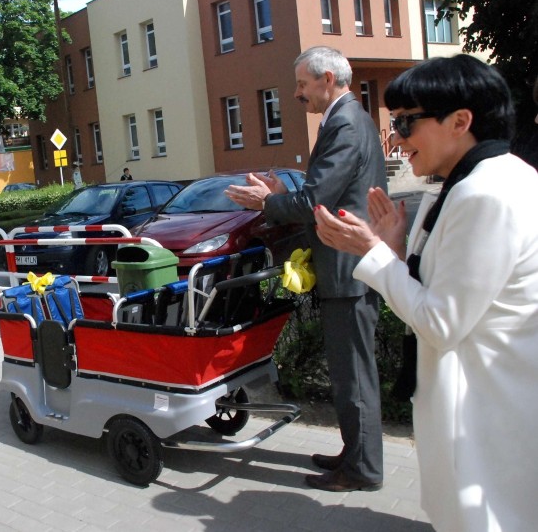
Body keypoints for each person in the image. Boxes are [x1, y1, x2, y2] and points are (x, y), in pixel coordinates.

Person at [313, 54, 538, 532]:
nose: (397, 138)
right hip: (484, 410)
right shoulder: (482, 181)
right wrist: (394, 250)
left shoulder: (486, 194)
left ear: (460, 122)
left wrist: (370, 253)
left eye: (407, 122)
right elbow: (445, 291)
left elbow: (440, 322)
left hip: (484, 419)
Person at [225, 46, 386, 492]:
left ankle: (362, 470)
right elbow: (322, 193)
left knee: (353, 377)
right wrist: (280, 191)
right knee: (350, 374)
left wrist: (268, 202)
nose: (297, 94)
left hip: (349, 272)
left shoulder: (345, 123)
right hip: (348, 269)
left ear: (327, 80)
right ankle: (355, 453)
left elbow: (317, 202)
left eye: (301, 84)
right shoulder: (346, 120)